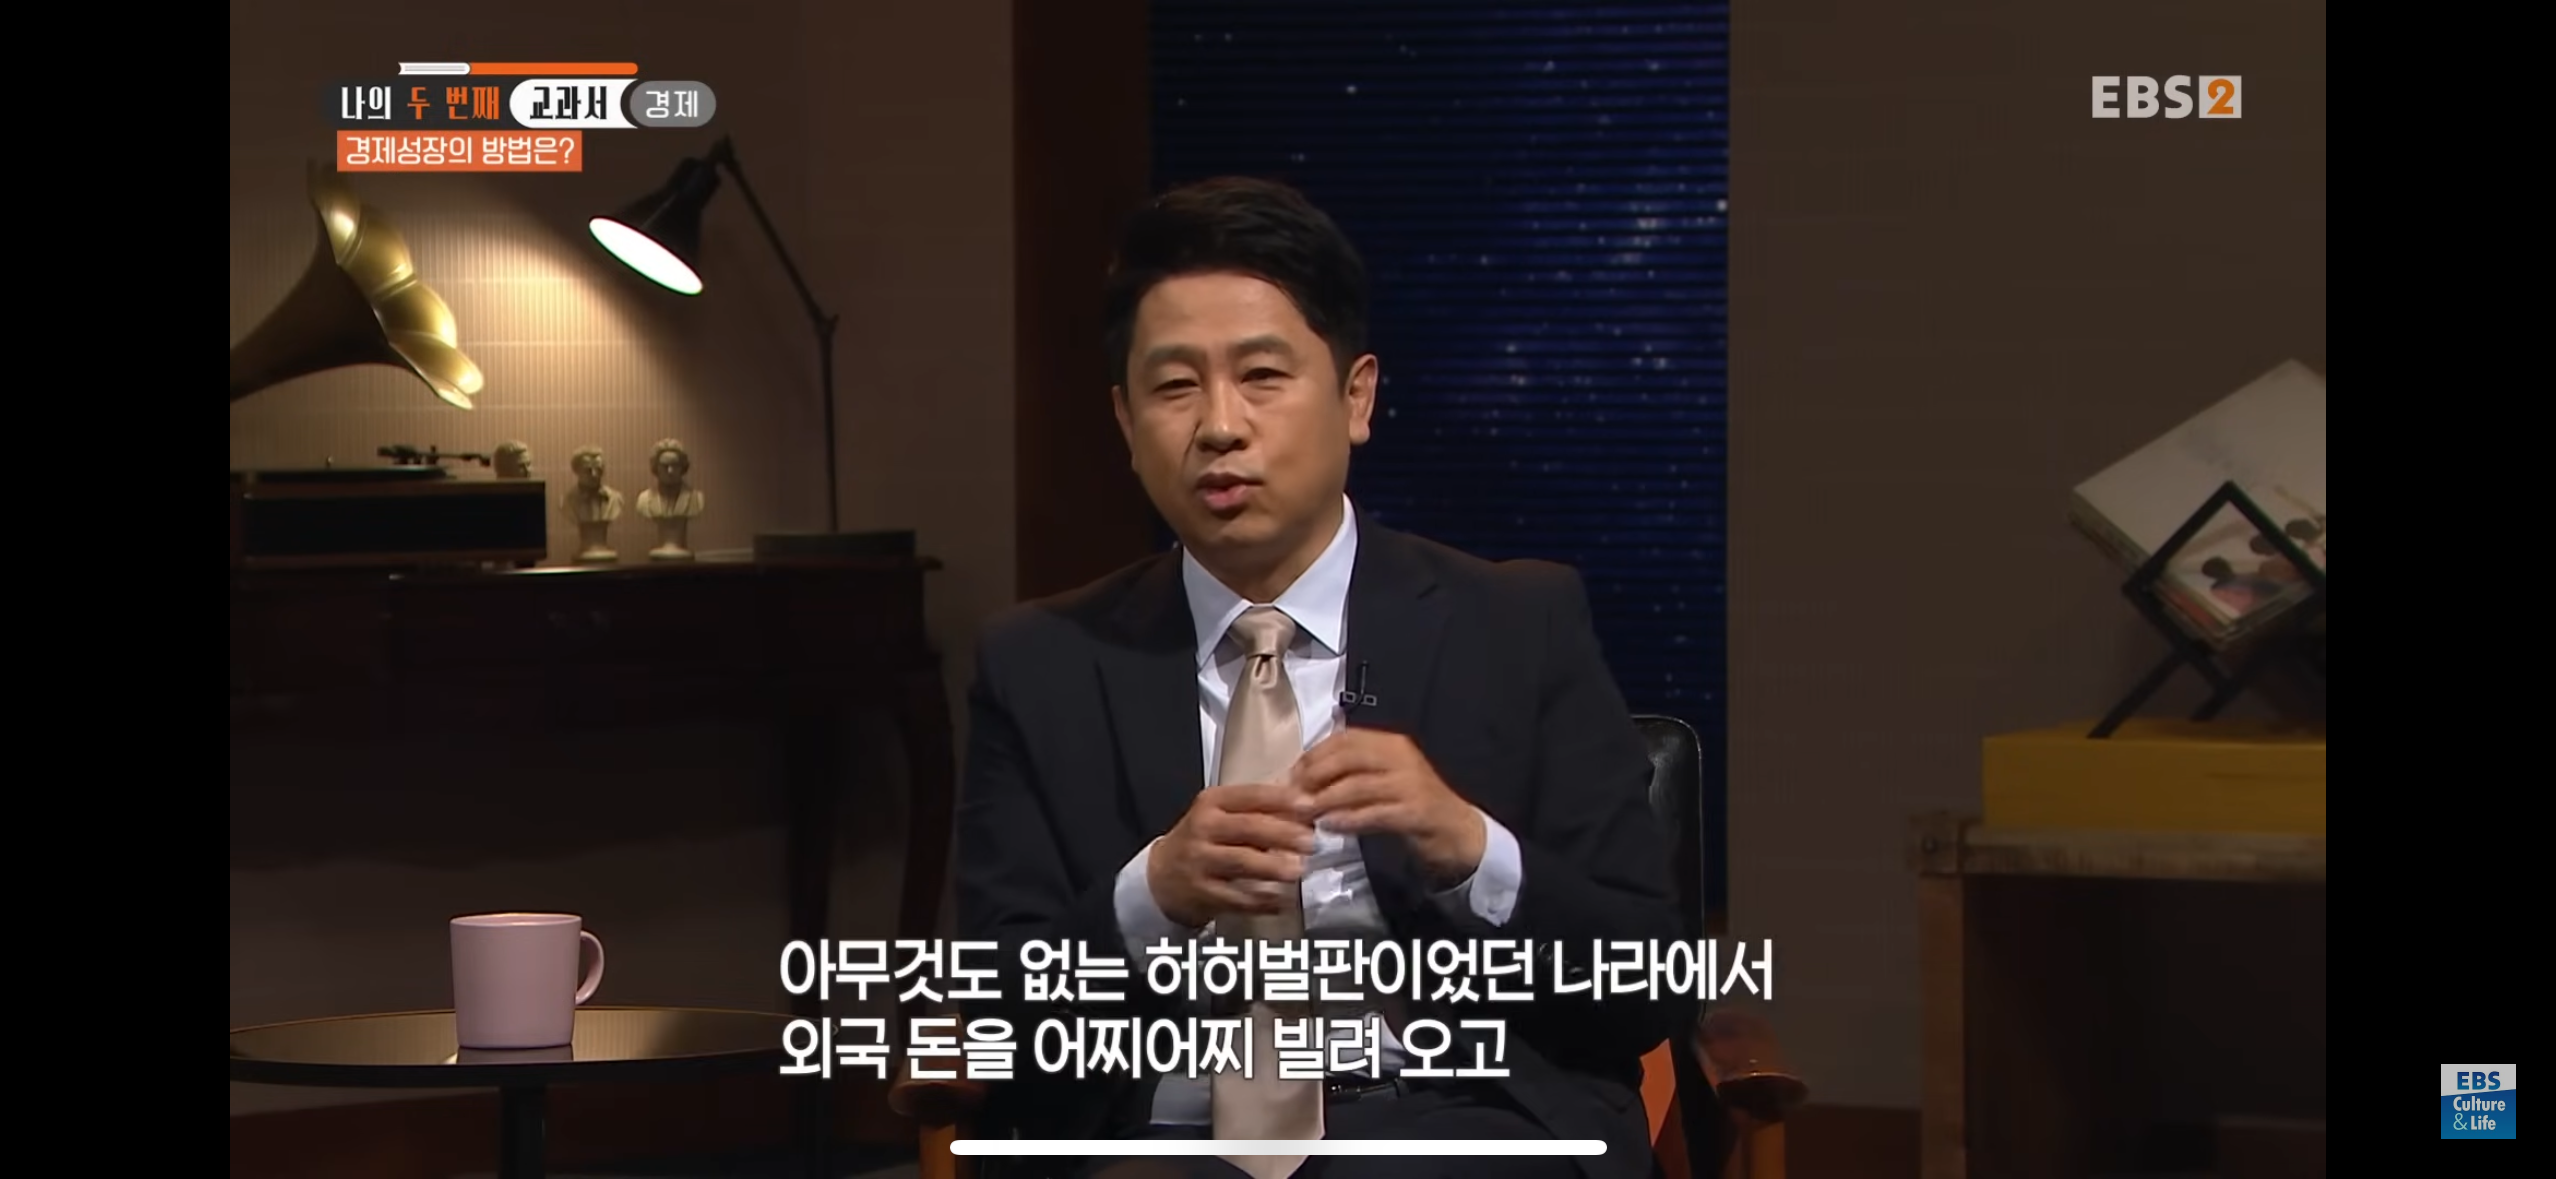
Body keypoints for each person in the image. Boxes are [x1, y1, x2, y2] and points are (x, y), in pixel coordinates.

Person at [954, 177, 1682, 1179]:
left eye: (1262, 375)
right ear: (1124, 422)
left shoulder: (1519, 624)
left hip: (1450, 1119)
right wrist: (1150, 894)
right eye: (1174, 387)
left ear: (1357, 397)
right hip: (1161, 1139)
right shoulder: (1039, 662)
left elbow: (1648, 984)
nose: (1219, 426)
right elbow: (993, 1009)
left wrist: (1469, 848)